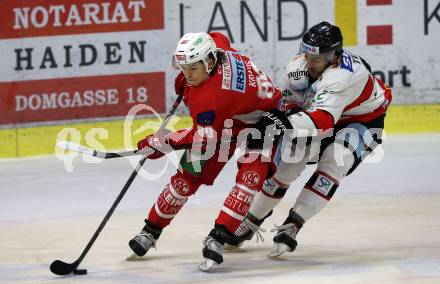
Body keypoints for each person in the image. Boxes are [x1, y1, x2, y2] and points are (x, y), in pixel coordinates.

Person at [230, 21, 393, 258]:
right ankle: (251, 220)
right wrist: (281, 117)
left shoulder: (345, 76)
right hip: (322, 115)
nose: (308, 63)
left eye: (315, 60)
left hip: (363, 121)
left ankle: (293, 225)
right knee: (289, 162)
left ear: (333, 57)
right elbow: (292, 105)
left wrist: (281, 123)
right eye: (306, 55)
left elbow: (323, 119)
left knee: (337, 160)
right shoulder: (298, 66)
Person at [128, 31, 282, 270]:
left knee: (249, 180)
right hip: (229, 118)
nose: (187, 75)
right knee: (186, 178)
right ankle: (150, 230)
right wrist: (187, 79)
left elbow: (203, 136)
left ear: (209, 62)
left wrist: (161, 143)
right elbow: (219, 36)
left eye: (193, 69)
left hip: (264, 121)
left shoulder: (211, 98)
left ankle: (218, 237)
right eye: (183, 68)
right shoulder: (216, 48)